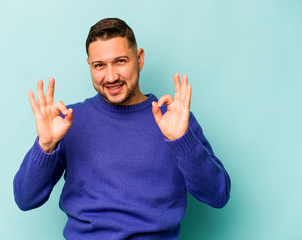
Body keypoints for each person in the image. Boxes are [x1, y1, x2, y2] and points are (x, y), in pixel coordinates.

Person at [13, 18, 231, 239]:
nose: (111, 77)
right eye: (100, 65)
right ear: (89, 65)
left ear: (139, 59)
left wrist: (181, 141)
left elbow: (218, 195)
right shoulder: (68, 121)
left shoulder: (175, 121)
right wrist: (46, 145)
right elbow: (25, 198)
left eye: (120, 61)